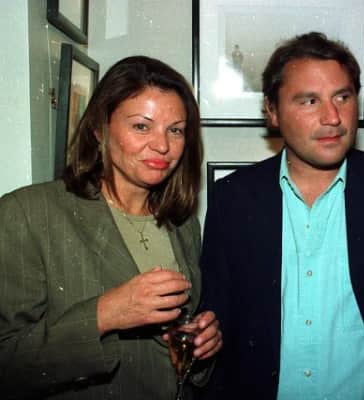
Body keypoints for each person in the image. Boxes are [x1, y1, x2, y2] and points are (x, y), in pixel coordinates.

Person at [198, 32, 364, 399]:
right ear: (272, 112)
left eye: (343, 97)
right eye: (309, 101)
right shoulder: (233, 199)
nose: (332, 117)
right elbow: (216, 321)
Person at [0, 55, 222, 399]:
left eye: (175, 130)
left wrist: (200, 347)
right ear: (99, 128)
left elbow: (170, 348)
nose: (162, 145)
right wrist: (105, 315)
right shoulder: (29, 214)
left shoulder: (183, 223)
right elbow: (7, 362)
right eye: (142, 126)